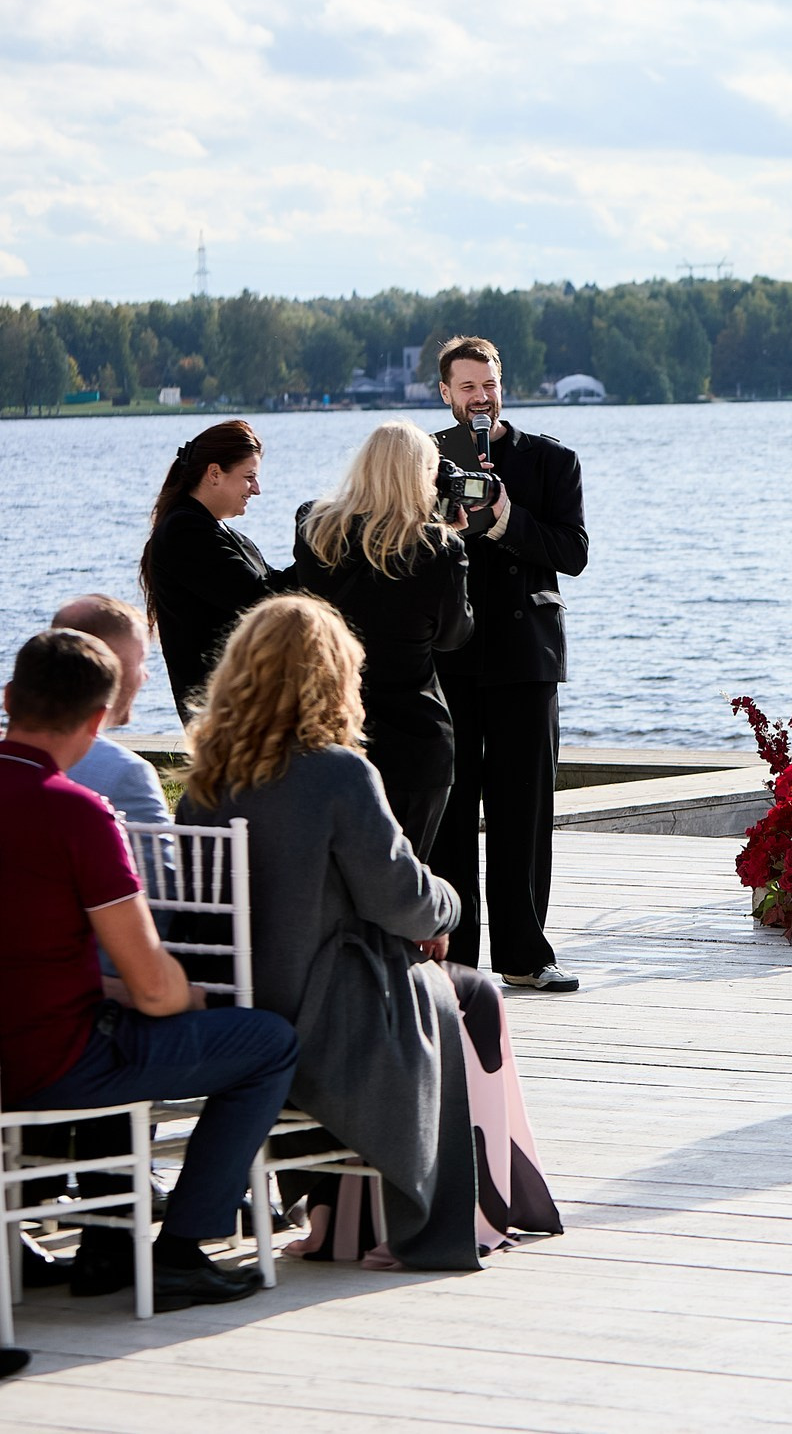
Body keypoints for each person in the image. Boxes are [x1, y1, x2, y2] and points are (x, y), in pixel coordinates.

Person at [178, 595, 558, 1269]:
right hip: (326, 1009)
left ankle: (331, 1216)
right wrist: (447, 910)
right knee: (471, 996)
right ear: (333, 676)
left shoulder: (207, 781)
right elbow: (403, 898)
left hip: (238, 1007)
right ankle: (453, 1217)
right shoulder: (337, 772)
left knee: (444, 984)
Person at [0, 628, 298, 1309]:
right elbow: (154, 988)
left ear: (10, 697)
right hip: (56, 1060)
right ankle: (183, 1248)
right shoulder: (76, 813)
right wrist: (190, 996)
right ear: (100, 717)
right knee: (267, 1041)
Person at [428, 337, 587, 991]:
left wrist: (505, 521)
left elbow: (573, 551)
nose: (481, 398)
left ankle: (524, 954)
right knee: (453, 812)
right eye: (468, 388)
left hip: (527, 658)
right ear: (445, 392)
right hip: (450, 655)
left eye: (489, 384)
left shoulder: (551, 460)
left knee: (526, 811)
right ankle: (457, 959)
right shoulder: (424, 460)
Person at [293, 420, 474, 857]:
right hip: (414, 740)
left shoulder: (314, 526)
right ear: (422, 476)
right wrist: (453, 536)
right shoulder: (439, 549)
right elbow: (454, 636)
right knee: (403, 882)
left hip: (334, 727)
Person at [139, 418, 295, 721]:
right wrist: (320, 551)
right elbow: (260, 601)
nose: (257, 489)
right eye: (249, 477)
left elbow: (274, 588)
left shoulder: (217, 532)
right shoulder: (186, 532)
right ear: (214, 473)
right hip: (224, 723)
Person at [49, 595, 170, 825]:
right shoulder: (126, 774)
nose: (146, 675)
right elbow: (153, 860)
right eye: (140, 660)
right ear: (107, 665)